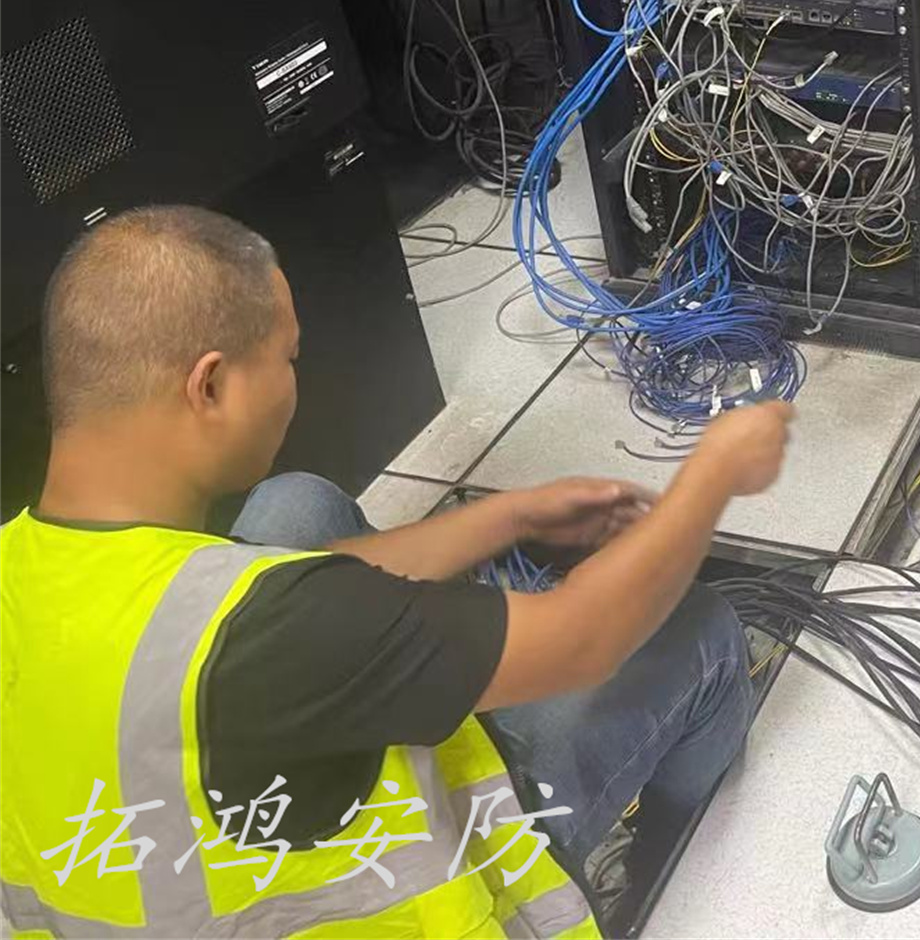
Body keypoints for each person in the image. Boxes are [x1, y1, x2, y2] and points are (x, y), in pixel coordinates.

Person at [0, 205, 794, 938]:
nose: (295, 381)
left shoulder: (28, 560)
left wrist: (511, 517)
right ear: (209, 385)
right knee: (703, 633)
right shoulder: (274, 631)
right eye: (287, 358)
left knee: (296, 504)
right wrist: (714, 474)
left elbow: (279, 590)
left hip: (144, 864)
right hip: (407, 895)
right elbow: (582, 640)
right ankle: (655, 871)